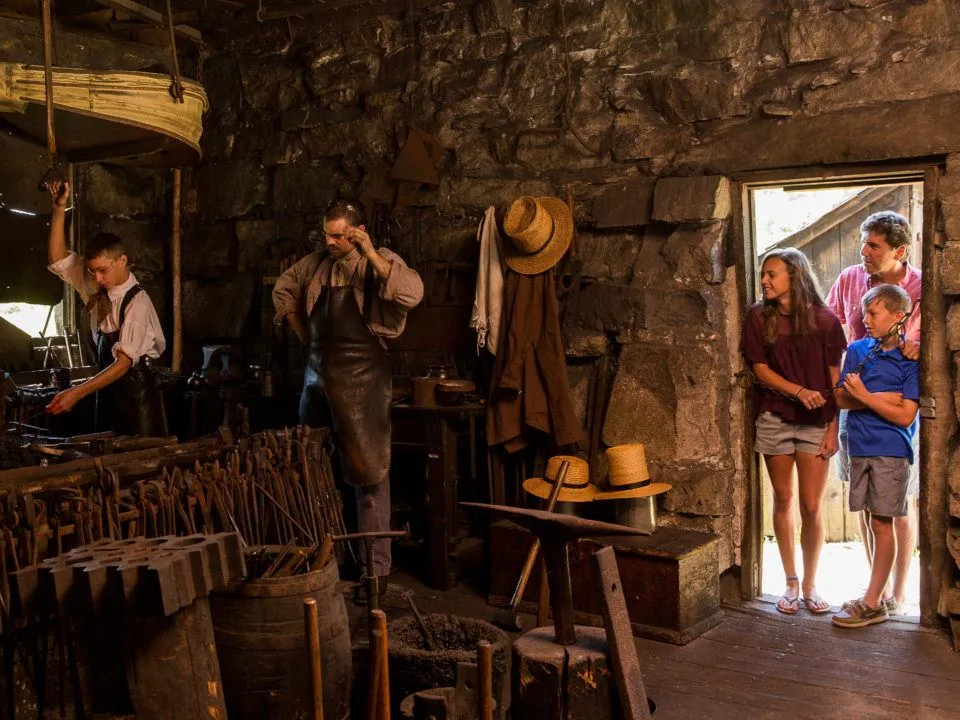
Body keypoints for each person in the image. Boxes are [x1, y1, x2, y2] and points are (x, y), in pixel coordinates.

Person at [272, 201, 423, 581]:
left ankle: (376, 573)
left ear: (358, 231)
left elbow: (411, 295)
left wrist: (370, 253)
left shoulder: (381, 260)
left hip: (363, 381)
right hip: (317, 377)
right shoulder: (316, 264)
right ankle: (328, 565)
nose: (331, 241)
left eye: (339, 235)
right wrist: (306, 337)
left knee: (369, 474)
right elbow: (283, 290)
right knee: (313, 468)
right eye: (327, 234)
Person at [741, 248, 846, 615]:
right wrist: (798, 391)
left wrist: (834, 427)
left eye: (771, 274)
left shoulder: (826, 320)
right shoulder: (757, 316)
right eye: (763, 274)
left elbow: (837, 380)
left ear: (795, 277)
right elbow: (760, 370)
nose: (764, 280)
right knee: (784, 499)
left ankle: (812, 583)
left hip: (817, 424)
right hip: (776, 417)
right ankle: (790, 582)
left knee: (812, 506)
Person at [826, 210, 920, 615]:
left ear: (899, 251)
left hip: (896, 414)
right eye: (863, 243)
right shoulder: (849, 280)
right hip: (857, 409)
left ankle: (897, 594)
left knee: (898, 506)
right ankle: (875, 590)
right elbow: (831, 330)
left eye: (874, 246)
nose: (863, 251)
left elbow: (920, 347)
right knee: (867, 508)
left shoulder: (920, 287)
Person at [44, 180, 167, 436]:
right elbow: (57, 258)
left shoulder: (137, 302)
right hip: (106, 393)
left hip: (136, 398)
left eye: (103, 270)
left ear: (123, 260)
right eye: (92, 271)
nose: (97, 279)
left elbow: (122, 365)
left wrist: (76, 393)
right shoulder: (94, 282)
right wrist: (58, 209)